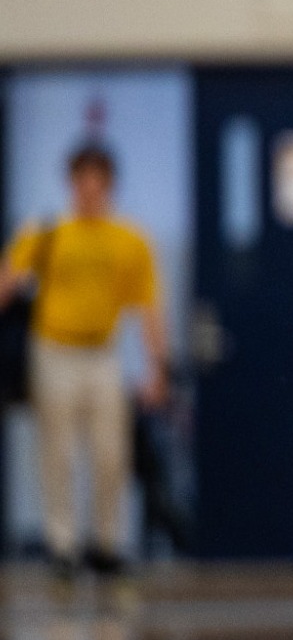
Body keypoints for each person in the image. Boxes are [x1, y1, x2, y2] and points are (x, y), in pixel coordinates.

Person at [0, 143, 168, 579]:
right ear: (72, 183)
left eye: (99, 179)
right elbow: (8, 280)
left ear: (110, 184)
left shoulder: (130, 239)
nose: (90, 188)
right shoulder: (48, 231)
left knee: (111, 451)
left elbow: (148, 307)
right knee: (56, 451)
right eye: (82, 179)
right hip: (53, 349)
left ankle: (107, 543)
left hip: (102, 352)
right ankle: (63, 546)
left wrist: (157, 368)